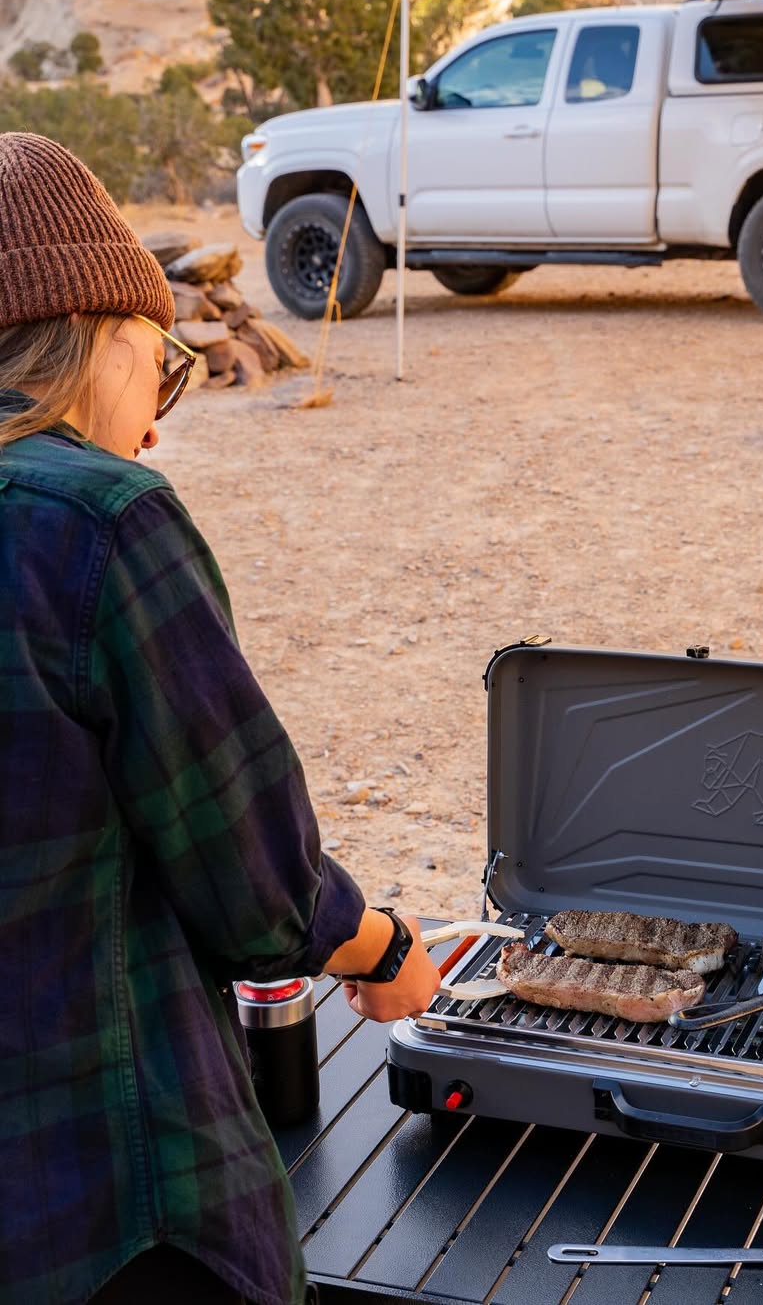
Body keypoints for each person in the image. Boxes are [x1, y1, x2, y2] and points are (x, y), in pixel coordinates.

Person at [0, 132, 442, 1305]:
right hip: (105, 1205)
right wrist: (386, 948)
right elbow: (259, 891)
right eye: (161, 367)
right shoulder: (95, 521)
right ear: (91, 337)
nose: (154, 425)